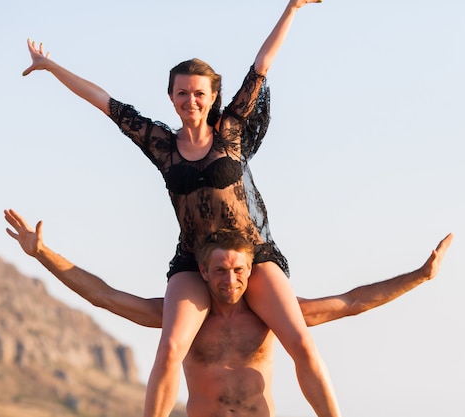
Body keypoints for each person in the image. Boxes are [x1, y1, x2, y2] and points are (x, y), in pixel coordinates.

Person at [22, 1, 343, 416]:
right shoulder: (160, 144)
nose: (190, 100)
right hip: (194, 257)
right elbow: (103, 101)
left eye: (198, 93)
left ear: (212, 97)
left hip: (251, 252)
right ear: (171, 97)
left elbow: (262, 64)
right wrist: (50, 66)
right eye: (182, 93)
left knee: (300, 341)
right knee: (171, 347)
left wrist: (292, 8)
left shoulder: (230, 131)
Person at [4, 208, 453, 417]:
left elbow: (351, 302)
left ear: (250, 269)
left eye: (239, 270)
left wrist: (421, 275)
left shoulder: (271, 316)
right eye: (220, 270)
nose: (230, 279)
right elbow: (105, 296)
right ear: (203, 269)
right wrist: (42, 253)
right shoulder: (186, 319)